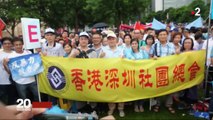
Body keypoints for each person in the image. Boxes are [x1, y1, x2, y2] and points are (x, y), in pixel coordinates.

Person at [3, 37, 39, 101]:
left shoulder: (28, 53)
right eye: (16, 45)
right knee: (24, 98)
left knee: (37, 96)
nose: (18, 46)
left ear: (22, 45)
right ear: (13, 46)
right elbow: (9, 72)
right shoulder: (10, 56)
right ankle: (27, 110)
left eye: (20, 44)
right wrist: (5, 64)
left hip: (32, 80)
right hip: (20, 82)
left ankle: (38, 109)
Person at [149, 29, 176, 114]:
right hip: (158, 70)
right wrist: (153, 58)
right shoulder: (155, 46)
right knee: (158, 87)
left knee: (170, 87)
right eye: (161, 35)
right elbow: (150, 57)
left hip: (170, 70)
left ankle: (169, 104)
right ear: (158, 36)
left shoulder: (171, 45)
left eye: (164, 34)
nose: (163, 36)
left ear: (167, 35)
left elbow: (175, 57)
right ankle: (157, 104)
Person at [101, 32, 125, 117]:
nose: (111, 40)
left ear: (116, 40)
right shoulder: (103, 49)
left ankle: (121, 108)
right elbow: (98, 63)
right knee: (110, 92)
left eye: (113, 39)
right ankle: (111, 108)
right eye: (109, 39)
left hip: (119, 75)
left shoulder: (121, 49)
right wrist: (100, 57)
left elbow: (124, 62)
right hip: (108, 75)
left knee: (120, 92)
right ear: (107, 40)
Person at [40, 28, 65, 105]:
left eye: (51, 35)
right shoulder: (43, 46)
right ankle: (50, 106)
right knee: (48, 88)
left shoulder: (59, 46)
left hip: (57, 70)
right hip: (46, 70)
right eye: (47, 35)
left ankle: (58, 106)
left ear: (54, 36)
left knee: (57, 88)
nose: (49, 37)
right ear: (45, 37)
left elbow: (62, 58)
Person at [124, 39, 149, 113]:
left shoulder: (143, 51)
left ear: (138, 44)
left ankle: (141, 104)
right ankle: (135, 105)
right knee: (135, 90)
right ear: (131, 45)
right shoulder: (128, 52)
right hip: (133, 74)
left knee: (143, 89)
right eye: (132, 44)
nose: (134, 45)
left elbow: (147, 60)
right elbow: (128, 58)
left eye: (135, 43)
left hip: (142, 73)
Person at [0, 37, 17, 105]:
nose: (7, 45)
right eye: (5, 43)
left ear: (12, 44)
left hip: (15, 80)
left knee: (13, 99)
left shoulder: (16, 53)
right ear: (2, 45)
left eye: (9, 43)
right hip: (2, 81)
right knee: (3, 100)